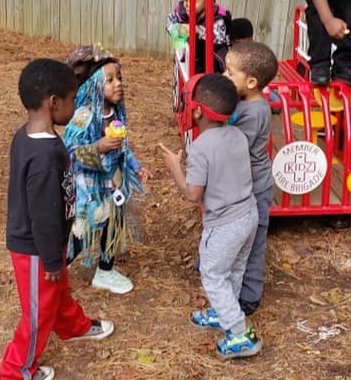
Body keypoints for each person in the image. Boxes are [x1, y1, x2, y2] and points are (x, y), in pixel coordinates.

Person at [0, 59, 114, 380]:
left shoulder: (29, 135)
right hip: (35, 248)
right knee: (38, 312)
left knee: (56, 292)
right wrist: (50, 259)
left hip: (47, 245)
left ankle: (72, 325)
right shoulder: (46, 155)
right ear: (53, 103)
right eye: (72, 99)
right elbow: (44, 214)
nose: (75, 106)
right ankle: (15, 372)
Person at [159, 74, 261, 360]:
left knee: (213, 274)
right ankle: (223, 313)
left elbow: (193, 194)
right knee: (234, 270)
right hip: (248, 214)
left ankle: (240, 334)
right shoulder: (238, 135)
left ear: (197, 110)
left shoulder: (201, 147)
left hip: (225, 224)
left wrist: (175, 167)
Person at [64, 45, 150, 295]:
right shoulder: (83, 115)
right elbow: (69, 152)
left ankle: (105, 270)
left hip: (113, 184)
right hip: (89, 187)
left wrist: (137, 166)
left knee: (114, 222)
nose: (118, 84)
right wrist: (98, 147)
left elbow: (124, 148)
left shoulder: (115, 113)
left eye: (119, 78)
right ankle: (56, 269)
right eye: (110, 80)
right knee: (85, 229)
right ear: (92, 85)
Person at [224, 42, 278, 315]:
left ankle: (249, 295)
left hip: (255, 189)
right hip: (246, 186)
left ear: (253, 81)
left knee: (253, 242)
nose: (225, 77)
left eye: (230, 73)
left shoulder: (254, 112)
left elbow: (237, 149)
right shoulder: (247, 101)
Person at [166, 0, 231, 72]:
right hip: (190, 60)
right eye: (186, 0)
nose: (187, 4)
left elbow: (219, 38)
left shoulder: (216, 18)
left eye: (193, 1)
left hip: (211, 63)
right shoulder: (183, 12)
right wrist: (176, 29)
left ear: (207, 3)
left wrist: (198, 30)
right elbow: (170, 20)